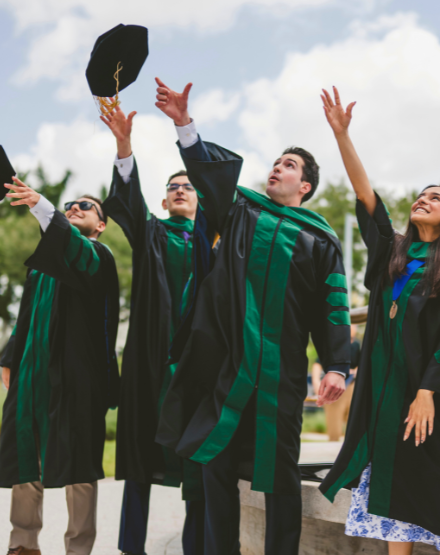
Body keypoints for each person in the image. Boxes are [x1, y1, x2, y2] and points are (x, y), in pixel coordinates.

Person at [152, 78, 351, 555]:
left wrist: (338, 364)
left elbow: (333, 306)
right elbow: (211, 175)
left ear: (304, 185)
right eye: (277, 162)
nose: (276, 169)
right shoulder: (241, 211)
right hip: (229, 365)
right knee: (214, 465)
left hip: (280, 372)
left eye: (289, 165)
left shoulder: (320, 240)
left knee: (279, 473)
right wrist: (184, 123)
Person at [317, 87, 440, 555]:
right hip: (386, 395)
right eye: (419, 195)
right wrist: (342, 135)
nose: (422, 199)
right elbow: (365, 196)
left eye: (434, 197)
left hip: (430, 397)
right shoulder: (393, 255)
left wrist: (427, 392)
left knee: (434, 490)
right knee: (394, 503)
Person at [100, 106, 205, 555]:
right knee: (142, 460)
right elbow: (127, 202)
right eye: (172, 188)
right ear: (164, 202)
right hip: (151, 364)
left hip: (198, 367)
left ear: (201, 199)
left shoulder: (217, 243)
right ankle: (131, 548)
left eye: (188, 186)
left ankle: (197, 546)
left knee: (200, 464)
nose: (180, 191)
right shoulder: (152, 235)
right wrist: (125, 145)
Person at [0, 180, 120, 555]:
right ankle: (23, 545)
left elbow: (70, 246)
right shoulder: (40, 271)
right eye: (69, 204)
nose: (74, 207)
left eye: (85, 205)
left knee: (79, 463)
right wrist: (9, 357)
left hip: (76, 378)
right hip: (32, 375)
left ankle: (78, 549)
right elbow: (24, 318)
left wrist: (42, 206)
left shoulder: (97, 257)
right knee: (25, 458)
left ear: (100, 225)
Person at [310, 322, 361, 442]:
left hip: (351, 385)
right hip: (334, 384)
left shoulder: (357, 345)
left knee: (353, 420)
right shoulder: (334, 344)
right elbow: (317, 364)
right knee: (334, 420)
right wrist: (316, 383)